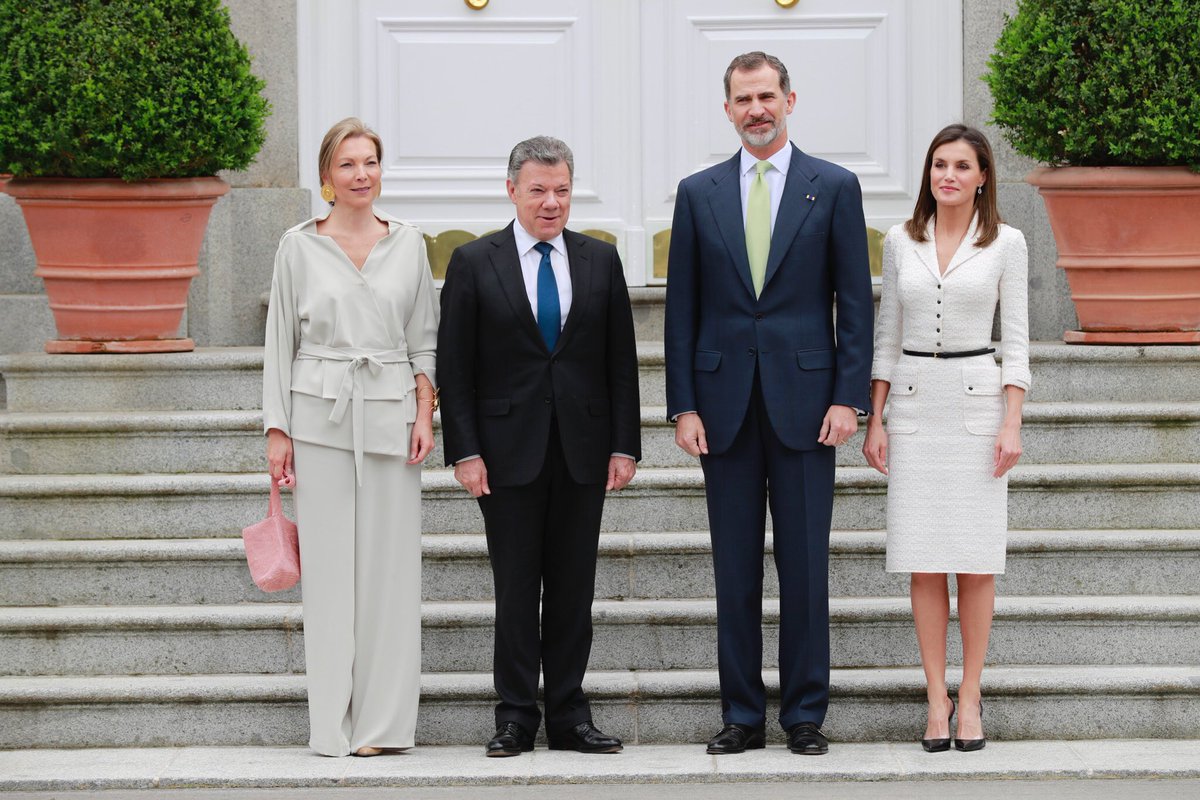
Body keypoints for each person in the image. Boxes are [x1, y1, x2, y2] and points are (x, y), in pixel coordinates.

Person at [664, 52, 874, 756]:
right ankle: (742, 715)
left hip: (809, 405)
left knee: (807, 567)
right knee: (735, 570)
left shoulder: (834, 187)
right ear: (726, 109)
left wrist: (850, 397)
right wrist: (682, 405)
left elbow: (855, 303)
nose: (756, 109)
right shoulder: (698, 193)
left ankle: (806, 714)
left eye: (766, 96)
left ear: (790, 99)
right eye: (742, 99)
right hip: (721, 408)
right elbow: (681, 310)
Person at [438, 136, 641, 757]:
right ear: (512, 191)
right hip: (504, 454)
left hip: (582, 450)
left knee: (574, 588)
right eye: (538, 191)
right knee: (517, 587)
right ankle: (515, 716)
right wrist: (464, 451)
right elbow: (455, 367)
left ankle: (569, 716)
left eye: (561, 191)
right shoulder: (475, 262)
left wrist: (624, 446)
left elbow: (620, 363)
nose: (551, 203)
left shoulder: (600, 260)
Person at [262, 117, 439, 757]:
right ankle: (329, 726)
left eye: (370, 162)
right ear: (326, 177)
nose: (361, 175)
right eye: (348, 164)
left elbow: (424, 337)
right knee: (332, 576)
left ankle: (384, 727)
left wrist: (425, 412)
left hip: (393, 416)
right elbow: (280, 340)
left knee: (391, 576)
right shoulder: (296, 246)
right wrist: (276, 429)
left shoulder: (411, 243)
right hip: (319, 419)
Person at [862, 123, 1029, 753]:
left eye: (962, 165)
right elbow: (885, 336)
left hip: (976, 407)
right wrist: (875, 418)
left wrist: (1011, 420)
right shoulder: (900, 241)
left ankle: (972, 696)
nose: (949, 176)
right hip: (911, 406)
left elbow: (1015, 340)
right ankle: (936, 697)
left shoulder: (1006, 243)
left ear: (983, 175)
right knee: (924, 560)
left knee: (976, 562)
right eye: (939, 164)